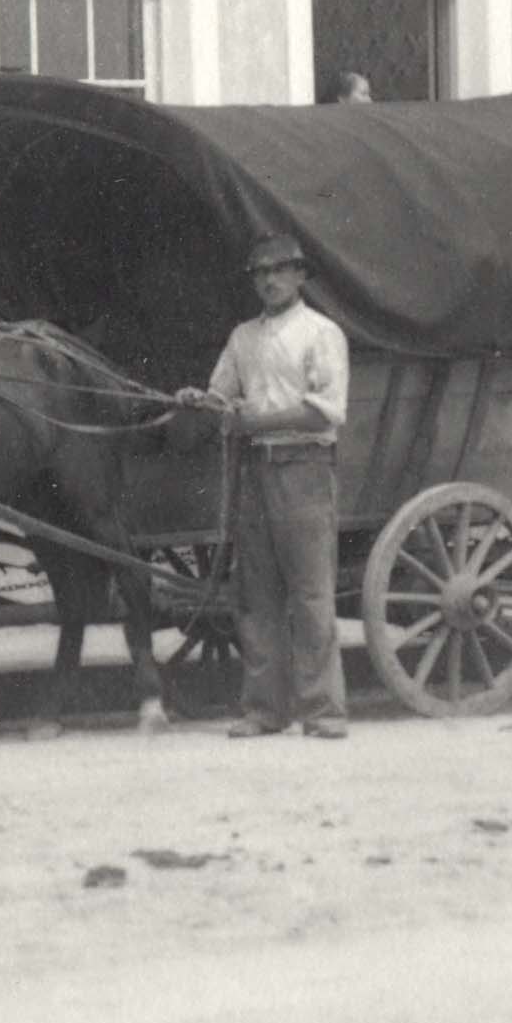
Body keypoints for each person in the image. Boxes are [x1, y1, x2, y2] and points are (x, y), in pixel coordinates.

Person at [172, 234, 353, 734]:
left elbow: (324, 413)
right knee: (257, 596)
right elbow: (221, 396)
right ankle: (264, 711)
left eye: (280, 270)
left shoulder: (322, 334)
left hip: (304, 469)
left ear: (301, 275)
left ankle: (322, 712)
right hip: (255, 473)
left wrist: (256, 423)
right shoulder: (242, 338)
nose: (269, 280)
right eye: (260, 272)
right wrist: (199, 400)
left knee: (311, 593)